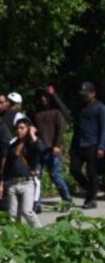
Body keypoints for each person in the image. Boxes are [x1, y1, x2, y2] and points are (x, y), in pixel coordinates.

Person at [0, 118, 45, 227]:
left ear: (28, 129)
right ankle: (15, 234)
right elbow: (6, 166)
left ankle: (40, 231)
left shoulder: (31, 145)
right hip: (12, 183)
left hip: (26, 183)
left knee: (27, 211)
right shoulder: (12, 146)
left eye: (22, 128)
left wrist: (32, 134)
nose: (19, 130)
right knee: (13, 215)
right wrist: (2, 183)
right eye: (17, 128)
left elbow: (41, 149)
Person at [33, 88, 72, 209]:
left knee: (55, 175)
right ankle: (37, 203)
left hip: (53, 149)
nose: (43, 99)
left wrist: (57, 145)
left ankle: (67, 199)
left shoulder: (56, 112)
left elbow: (61, 129)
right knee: (36, 177)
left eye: (45, 97)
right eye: (41, 97)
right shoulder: (36, 113)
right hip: (39, 148)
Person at [71, 82, 105, 210]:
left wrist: (101, 147)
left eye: (86, 94)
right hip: (78, 144)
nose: (84, 97)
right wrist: (72, 146)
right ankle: (90, 188)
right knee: (74, 170)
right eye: (82, 94)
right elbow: (76, 127)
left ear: (93, 93)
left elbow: (104, 129)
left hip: (93, 144)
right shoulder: (80, 107)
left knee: (92, 173)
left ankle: (91, 200)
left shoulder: (100, 108)